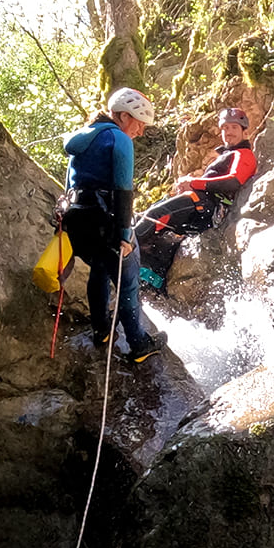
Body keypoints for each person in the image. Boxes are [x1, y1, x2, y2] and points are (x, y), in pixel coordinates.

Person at [59, 88, 168, 363]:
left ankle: (102, 329)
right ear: (122, 116)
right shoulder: (118, 139)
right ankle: (139, 344)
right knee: (128, 282)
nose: (140, 131)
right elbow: (123, 190)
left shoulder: (81, 140)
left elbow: (70, 187)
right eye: (138, 123)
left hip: (78, 222)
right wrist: (124, 235)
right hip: (106, 222)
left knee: (98, 266)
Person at [134, 107, 258, 292]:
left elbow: (234, 181)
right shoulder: (228, 154)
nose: (228, 132)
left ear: (245, 132)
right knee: (153, 231)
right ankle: (154, 281)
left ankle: (122, 250)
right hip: (201, 204)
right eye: (225, 128)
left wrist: (194, 182)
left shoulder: (243, 154)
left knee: (157, 214)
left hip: (206, 205)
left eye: (233, 127)